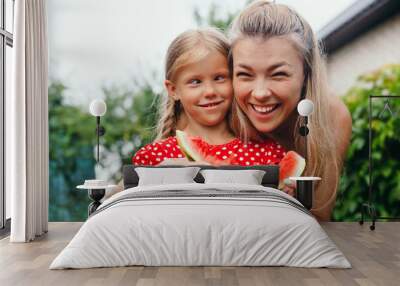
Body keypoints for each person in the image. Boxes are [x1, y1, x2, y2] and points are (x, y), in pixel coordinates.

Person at [228, 1, 352, 220]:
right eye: (245, 75)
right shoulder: (221, 111)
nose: (260, 93)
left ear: (306, 73)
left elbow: (320, 219)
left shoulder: (333, 116)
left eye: (278, 74)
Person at [132, 28, 287, 170]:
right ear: (174, 90)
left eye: (219, 78)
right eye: (195, 82)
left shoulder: (268, 154)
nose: (210, 91)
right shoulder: (153, 158)